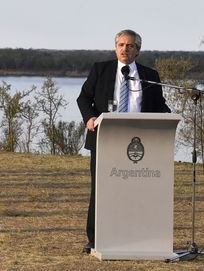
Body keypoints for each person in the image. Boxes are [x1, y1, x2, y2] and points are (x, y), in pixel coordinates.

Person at [76, 29, 170, 253]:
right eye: (121, 45)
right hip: (104, 138)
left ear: (137, 50)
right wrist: (89, 117)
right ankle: (95, 239)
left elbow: (159, 106)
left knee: (137, 190)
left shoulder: (149, 75)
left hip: (141, 142)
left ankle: (136, 235)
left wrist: (169, 120)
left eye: (130, 46)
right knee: (100, 190)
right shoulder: (101, 70)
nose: (125, 49)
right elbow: (83, 98)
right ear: (115, 47)